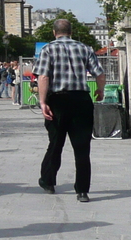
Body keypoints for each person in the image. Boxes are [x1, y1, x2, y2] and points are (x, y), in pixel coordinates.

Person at [36, 18, 105, 202]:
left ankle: (48, 181)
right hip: (81, 99)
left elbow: (43, 77)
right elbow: (99, 73)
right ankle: (82, 190)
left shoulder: (48, 49)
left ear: (54, 32)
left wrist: (43, 102)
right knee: (82, 147)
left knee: (55, 143)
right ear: (71, 32)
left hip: (58, 100)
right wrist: (100, 90)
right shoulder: (85, 48)